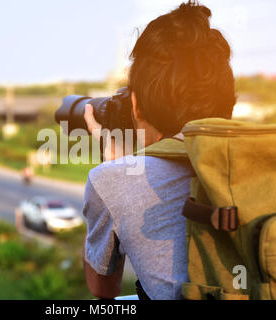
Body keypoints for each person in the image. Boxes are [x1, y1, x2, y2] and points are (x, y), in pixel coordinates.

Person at [81, 1, 236, 299]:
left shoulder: (112, 180)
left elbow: (103, 289)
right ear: (228, 102)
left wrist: (117, 171)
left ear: (136, 105)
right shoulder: (269, 160)